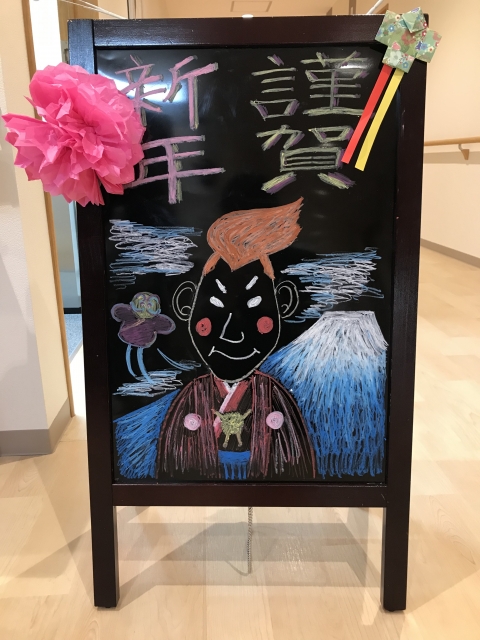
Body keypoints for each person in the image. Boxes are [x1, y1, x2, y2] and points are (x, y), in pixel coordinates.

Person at [156, 198, 316, 481]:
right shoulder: (191, 398)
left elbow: (296, 469)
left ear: (283, 305)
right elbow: (171, 470)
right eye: (216, 308)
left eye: (254, 308)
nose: (232, 333)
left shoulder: (276, 398)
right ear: (187, 305)